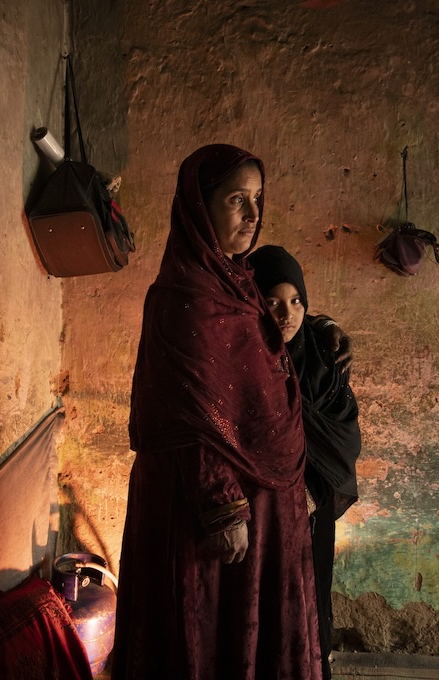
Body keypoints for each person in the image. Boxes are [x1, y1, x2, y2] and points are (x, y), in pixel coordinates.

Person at [111, 145, 323, 680]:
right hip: (213, 514)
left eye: (256, 199)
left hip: (267, 507)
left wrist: (326, 333)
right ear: (199, 208)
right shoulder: (183, 298)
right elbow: (185, 418)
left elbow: (264, 361)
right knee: (207, 639)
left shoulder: (239, 286)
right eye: (236, 200)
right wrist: (223, 506)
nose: (253, 215)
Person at [247, 245, 362, 680]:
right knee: (268, 603)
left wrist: (311, 492)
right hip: (265, 509)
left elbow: (343, 438)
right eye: (272, 301)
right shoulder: (246, 358)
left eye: (296, 301)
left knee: (313, 597)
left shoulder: (322, 352)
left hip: (314, 506)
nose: (286, 313)